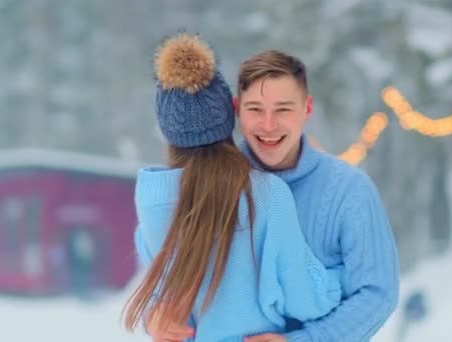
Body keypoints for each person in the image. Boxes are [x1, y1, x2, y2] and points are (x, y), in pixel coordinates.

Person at [143, 47, 401, 341]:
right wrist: (154, 313)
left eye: (283, 109)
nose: (268, 125)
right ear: (237, 110)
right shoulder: (208, 183)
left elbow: (377, 293)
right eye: (255, 109)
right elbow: (159, 264)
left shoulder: (349, 191)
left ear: (307, 108)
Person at [124, 33, 342, 341]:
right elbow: (306, 300)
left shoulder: (152, 202)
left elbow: (160, 304)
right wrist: (339, 275)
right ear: (230, 114)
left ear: (167, 130)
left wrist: (151, 318)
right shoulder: (266, 195)